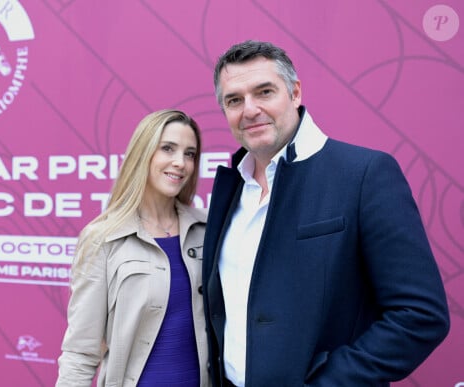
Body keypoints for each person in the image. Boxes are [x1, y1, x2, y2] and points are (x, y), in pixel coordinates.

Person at [202, 40, 450, 386]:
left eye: (264, 92)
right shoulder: (230, 189)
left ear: (295, 93)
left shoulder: (365, 174)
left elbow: (420, 315)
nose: (250, 109)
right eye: (234, 100)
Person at [56, 109, 210, 386]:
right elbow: (80, 351)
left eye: (190, 154)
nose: (180, 163)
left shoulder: (209, 229)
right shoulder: (102, 238)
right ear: (143, 153)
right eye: (168, 149)